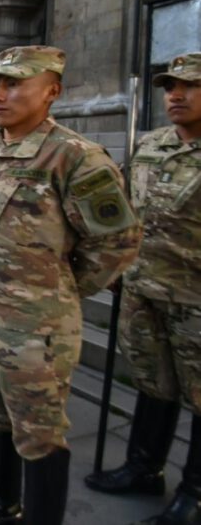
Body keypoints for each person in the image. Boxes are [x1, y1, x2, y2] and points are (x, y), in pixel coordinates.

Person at [0, 46, 141, 525]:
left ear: (52, 91)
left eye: (15, 84)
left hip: (34, 332)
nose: (0, 94)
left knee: (38, 435)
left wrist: (58, 291)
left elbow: (117, 241)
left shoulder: (74, 158)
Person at [84, 52, 201, 525]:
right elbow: (127, 212)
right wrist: (115, 265)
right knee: (154, 384)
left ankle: (194, 494)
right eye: (171, 86)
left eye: (190, 86)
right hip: (143, 289)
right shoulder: (152, 145)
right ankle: (143, 467)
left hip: (194, 300)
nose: (176, 94)